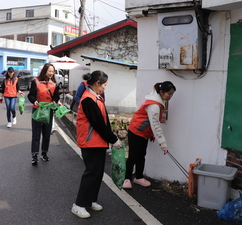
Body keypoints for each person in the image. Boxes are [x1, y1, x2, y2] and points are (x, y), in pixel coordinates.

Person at [71, 71, 123, 219]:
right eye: (104, 85)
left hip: (97, 141)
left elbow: (103, 122)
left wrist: (110, 138)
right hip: (90, 141)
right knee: (91, 173)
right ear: (97, 83)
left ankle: (90, 200)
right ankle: (79, 205)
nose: (105, 88)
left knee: (97, 173)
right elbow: (98, 124)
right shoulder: (88, 99)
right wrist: (114, 139)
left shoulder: (95, 97)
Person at [122, 81, 176, 189]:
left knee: (142, 155)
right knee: (133, 156)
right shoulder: (154, 105)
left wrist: (150, 134)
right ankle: (126, 179)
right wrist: (163, 144)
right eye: (169, 94)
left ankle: (139, 177)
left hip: (144, 133)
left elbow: (152, 123)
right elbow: (155, 125)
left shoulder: (159, 102)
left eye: (172, 94)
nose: (170, 96)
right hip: (136, 131)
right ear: (161, 92)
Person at [27, 63, 60, 165]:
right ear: (44, 71)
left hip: (48, 111)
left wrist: (54, 101)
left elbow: (56, 96)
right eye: (49, 71)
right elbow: (31, 95)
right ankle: (35, 155)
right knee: (36, 134)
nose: (51, 73)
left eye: (52, 71)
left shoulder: (54, 83)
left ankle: (44, 153)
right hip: (37, 110)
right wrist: (34, 101)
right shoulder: (35, 82)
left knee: (46, 134)